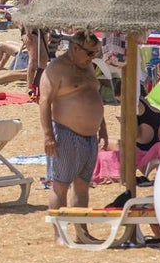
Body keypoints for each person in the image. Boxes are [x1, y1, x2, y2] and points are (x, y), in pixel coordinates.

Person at [40, 31, 109, 244]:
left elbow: (94, 96)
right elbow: (44, 102)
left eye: (95, 53)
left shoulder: (87, 66)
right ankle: (59, 234)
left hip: (89, 136)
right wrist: (48, 136)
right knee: (60, 185)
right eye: (89, 52)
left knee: (82, 185)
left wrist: (103, 127)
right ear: (75, 47)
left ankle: (81, 232)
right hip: (65, 132)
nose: (92, 57)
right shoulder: (56, 69)